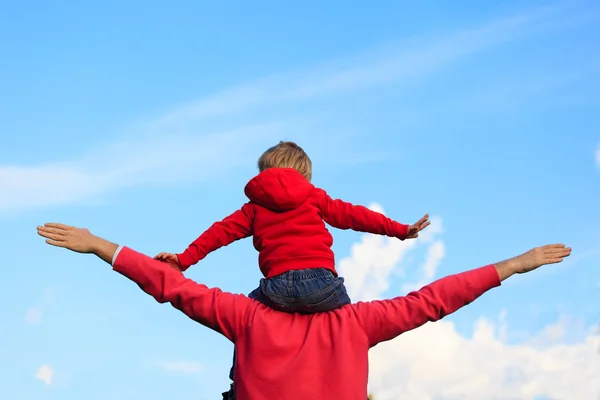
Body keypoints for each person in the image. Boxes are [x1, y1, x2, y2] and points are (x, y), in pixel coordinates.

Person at [37, 222, 571, 400]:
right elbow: (431, 301)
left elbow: (173, 287)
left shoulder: (247, 317)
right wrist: (513, 264)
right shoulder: (355, 324)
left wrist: (100, 245)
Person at [152, 141, 429, 397]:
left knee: (244, 324)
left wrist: (184, 259)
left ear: (264, 173)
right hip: (324, 287)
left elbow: (218, 233)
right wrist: (399, 230)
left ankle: (237, 386)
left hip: (277, 289)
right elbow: (355, 216)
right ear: (304, 174)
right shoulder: (315, 197)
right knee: (349, 327)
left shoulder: (254, 207)